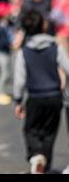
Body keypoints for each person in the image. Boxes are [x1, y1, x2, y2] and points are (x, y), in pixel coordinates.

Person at [13, 10, 69, 173]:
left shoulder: (24, 52)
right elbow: (67, 66)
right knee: (49, 132)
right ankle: (45, 162)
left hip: (35, 96)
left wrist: (18, 100)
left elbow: (19, 80)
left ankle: (36, 156)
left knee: (31, 130)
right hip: (54, 96)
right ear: (43, 26)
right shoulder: (54, 47)